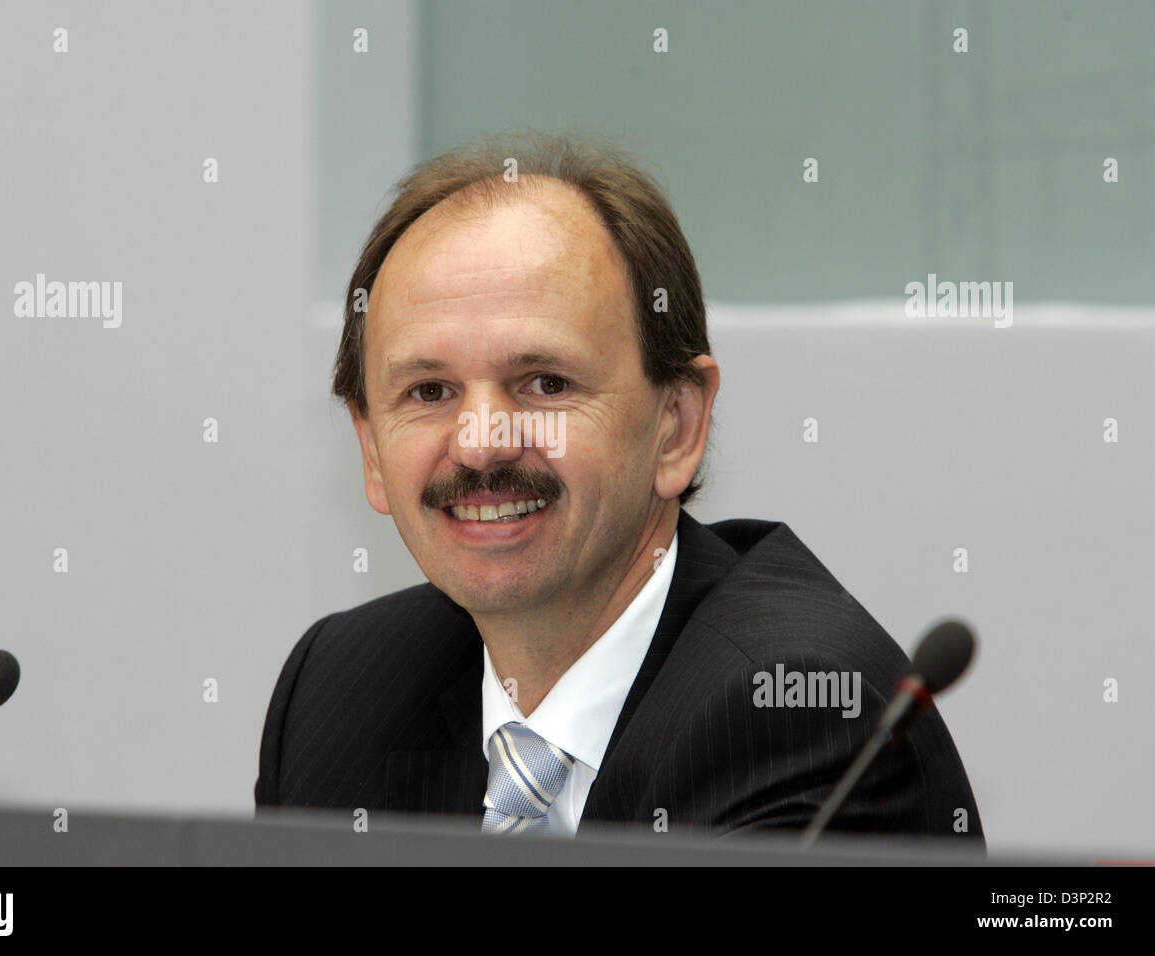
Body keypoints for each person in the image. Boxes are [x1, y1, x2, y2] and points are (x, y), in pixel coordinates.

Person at [256, 131, 983, 843]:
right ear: (372, 451)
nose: (480, 444)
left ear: (677, 426)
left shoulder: (795, 713)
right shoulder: (339, 690)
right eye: (429, 391)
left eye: (545, 383)